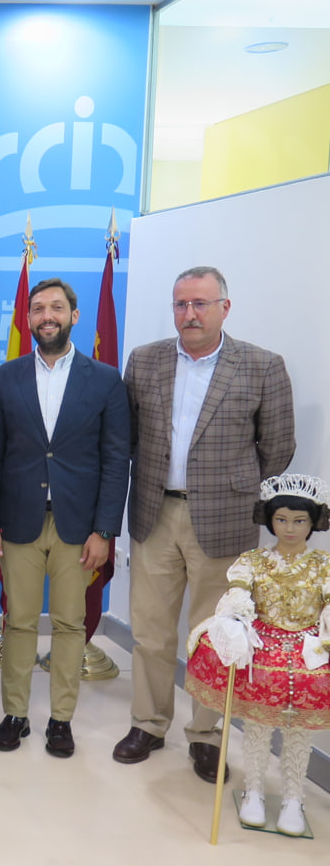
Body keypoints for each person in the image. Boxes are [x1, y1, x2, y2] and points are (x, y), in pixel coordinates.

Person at [113, 266, 295, 784]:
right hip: (155, 512)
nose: (189, 314)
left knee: (217, 635)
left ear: (224, 308)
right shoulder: (144, 360)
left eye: (200, 303)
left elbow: (277, 448)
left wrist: (233, 490)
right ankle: (148, 724)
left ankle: (206, 736)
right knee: (150, 632)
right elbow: (127, 436)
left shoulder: (261, 365)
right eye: (181, 304)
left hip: (224, 519)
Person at [0, 278, 129, 759]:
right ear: (28, 319)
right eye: (39, 308)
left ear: (74, 316)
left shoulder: (105, 379)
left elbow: (115, 461)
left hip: (79, 527)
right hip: (19, 521)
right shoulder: (6, 377)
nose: (48, 316)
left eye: (57, 308)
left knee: (69, 624)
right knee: (19, 622)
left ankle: (61, 720)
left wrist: (105, 530)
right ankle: (16, 714)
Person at [184, 474, 330, 836]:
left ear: (313, 522)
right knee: (257, 725)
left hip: (308, 653)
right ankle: (254, 790)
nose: (290, 528)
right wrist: (237, 616)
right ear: (269, 519)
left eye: (299, 521)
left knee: (300, 729)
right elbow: (238, 592)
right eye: (281, 519)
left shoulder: (324, 564)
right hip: (262, 652)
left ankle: (294, 797)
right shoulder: (252, 561)